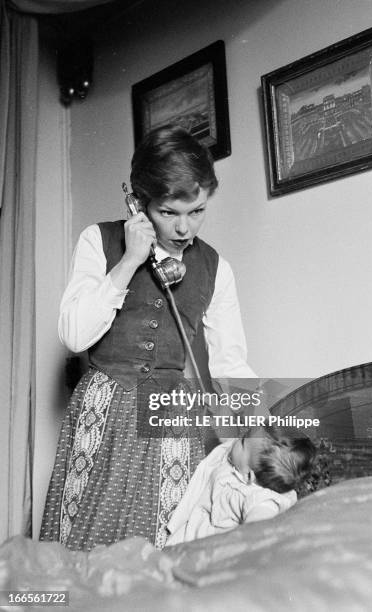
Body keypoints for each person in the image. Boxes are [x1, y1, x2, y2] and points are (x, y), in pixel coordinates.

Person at [39, 124, 258, 552]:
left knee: (160, 549)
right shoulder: (98, 240)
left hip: (171, 419)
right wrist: (129, 262)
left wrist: (254, 442)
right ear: (139, 203)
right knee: (81, 548)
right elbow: (73, 334)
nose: (183, 229)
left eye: (196, 211)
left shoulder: (217, 268)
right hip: (101, 415)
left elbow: (230, 365)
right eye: (168, 212)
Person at [166, 424, 316, 545]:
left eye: (243, 440)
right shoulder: (244, 462)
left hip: (196, 548)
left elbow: (258, 527)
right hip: (189, 529)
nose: (237, 439)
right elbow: (232, 440)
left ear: (249, 476)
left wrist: (248, 541)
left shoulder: (256, 499)